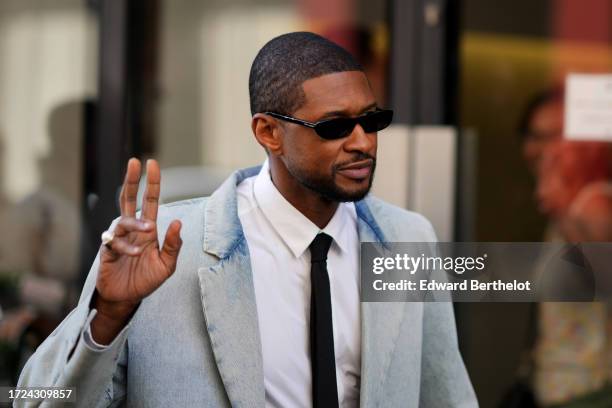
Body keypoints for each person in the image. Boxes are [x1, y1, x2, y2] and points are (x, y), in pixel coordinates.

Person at [16, 32, 476, 407]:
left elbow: (445, 394)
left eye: (372, 121)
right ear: (268, 132)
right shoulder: (166, 248)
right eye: (334, 126)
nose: (363, 143)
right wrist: (109, 315)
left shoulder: (407, 238)